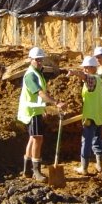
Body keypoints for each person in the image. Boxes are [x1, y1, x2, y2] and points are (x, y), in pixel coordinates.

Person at [17, 47, 63, 182]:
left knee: (33, 138)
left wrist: (43, 109)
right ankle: (36, 171)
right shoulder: (31, 75)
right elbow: (40, 93)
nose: (39, 62)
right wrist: (55, 103)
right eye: (37, 60)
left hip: (34, 110)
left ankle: (27, 170)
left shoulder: (38, 73)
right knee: (38, 139)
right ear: (30, 60)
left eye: (40, 60)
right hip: (31, 111)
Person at [68, 56, 102, 174]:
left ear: (92, 68)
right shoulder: (99, 79)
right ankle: (100, 165)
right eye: (84, 68)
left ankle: (84, 168)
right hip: (99, 115)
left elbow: (85, 77)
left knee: (86, 141)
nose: (84, 69)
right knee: (97, 140)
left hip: (91, 116)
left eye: (86, 67)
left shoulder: (92, 79)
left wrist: (75, 72)